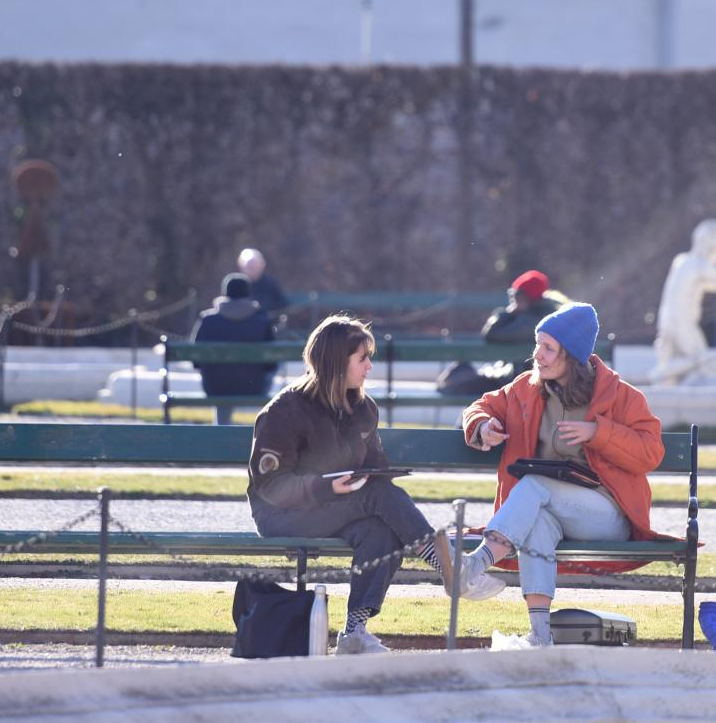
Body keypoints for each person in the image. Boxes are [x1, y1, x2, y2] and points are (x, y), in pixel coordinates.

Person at [247, 315, 503, 655]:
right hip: (281, 514)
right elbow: (270, 486)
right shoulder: (284, 410)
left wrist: (377, 474)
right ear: (336, 362)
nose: (370, 366)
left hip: (333, 507)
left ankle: (354, 632)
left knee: (381, 529)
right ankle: (448, 568)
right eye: (362, 358)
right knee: (378, 496)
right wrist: (326, 488)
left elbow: (373, 464)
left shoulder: (363, 407)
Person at [445, 302, 670, 648]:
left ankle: (474, 566)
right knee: (537, 522)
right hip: (551, 509)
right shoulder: (525, 388)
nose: (537, 355)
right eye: (538, 345)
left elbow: (651, 451)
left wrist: (598, 433)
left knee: (533, 486)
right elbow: (480, 407)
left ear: (572, 355)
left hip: (607, 515)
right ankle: (540, 636)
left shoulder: (620, 395)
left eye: (548, 348)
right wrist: (483, 425)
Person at [437, 270, 568, 397]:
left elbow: (492, 334)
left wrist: (509, 312)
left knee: (457, 383)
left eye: (516, 295)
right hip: (515, 377)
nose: (513, 299)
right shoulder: (535, 314)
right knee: (461, 373)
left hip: (518, 381)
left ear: (528, 297)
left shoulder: (536, 320)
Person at [649, 219, 716, 385]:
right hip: (683, 325)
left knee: (682, 373)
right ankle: (659, 373)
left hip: (666, 322)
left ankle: (666, 377)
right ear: (713, 245)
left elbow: (709, 284)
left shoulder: (682, 261)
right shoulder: (700, 265)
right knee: (702, 361)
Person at [191, 273, 276, 425]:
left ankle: (221, 428)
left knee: (222, 378)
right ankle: (263, 429)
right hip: (254, 387)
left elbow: (195, 359)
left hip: (215, 388)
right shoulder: (262, 321)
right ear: (248, 293)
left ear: (225, 293)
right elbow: (272, 363)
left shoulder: (208, 320)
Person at [238, 248, 289, 318]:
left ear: (262, 265)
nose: (253, 269)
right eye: (250, 266)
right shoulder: (236, 286)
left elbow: (283, 308)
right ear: (241, 267)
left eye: (255, 266)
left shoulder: (270, 284)